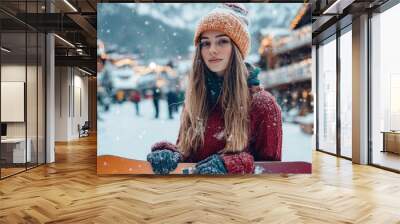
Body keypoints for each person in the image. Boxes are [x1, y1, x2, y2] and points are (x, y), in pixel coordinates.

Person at [147, 3, 282, 175]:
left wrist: (235, 164)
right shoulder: (195, 100)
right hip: (194, 198)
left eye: (222, 41)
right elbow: (188, 156)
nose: (212, 50)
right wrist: (171, 155)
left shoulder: (263, 104)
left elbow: (272, 172)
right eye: (205, 43)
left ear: (237, 48)